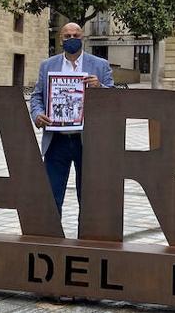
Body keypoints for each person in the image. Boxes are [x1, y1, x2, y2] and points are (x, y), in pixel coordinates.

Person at [29, 22, 113, 214]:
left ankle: (86, 233)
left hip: (88, 141)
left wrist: (100, 88)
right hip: (56, 140)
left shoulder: (100, 65)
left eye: (76, 35)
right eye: (67, 36)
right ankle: (52, 233)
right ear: (61, 39)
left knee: (89, 198)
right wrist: (37, 114)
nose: (72, 39)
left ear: (82, 38)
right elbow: (37, 96)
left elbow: (115, 99)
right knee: (51, 196)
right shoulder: (47, 65)